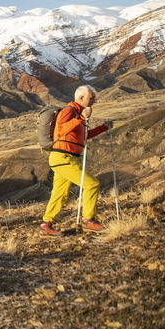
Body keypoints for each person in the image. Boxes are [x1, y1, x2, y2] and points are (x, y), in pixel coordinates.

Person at [41, 85, 113, 236]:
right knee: (92, 184)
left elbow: (83, 137)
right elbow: (61, 130)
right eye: (91, 98)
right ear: (81, 98)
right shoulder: (69, 111)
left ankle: (47, 224)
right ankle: (88, 220)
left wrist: (103, 128)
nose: (94, 101)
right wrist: (81, 118)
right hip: (63, 157)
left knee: (60, 193)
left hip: (66, 158)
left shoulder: (77, 113)